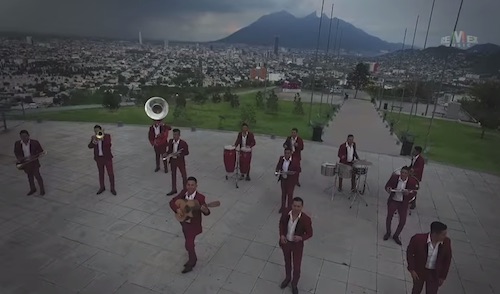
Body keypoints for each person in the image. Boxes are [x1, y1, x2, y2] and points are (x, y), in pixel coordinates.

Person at [169, 176, 210, 274]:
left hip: (193, 225)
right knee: (189, 244)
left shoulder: (200, 198)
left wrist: (205, 210)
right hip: (184, 223)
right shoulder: (183, 193)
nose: (190, 187)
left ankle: (192, 262)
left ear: (196, 186)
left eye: (192, 185)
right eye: (188, 185)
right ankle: (192, 256)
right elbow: (172, 202)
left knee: (189, 244)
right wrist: (177, 209)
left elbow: (207, 212)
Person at [279, 197, 313, 294]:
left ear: (302, 207)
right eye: (294, 206)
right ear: (291, 205)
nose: (296, 208)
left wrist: (301, 238)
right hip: (286, 243)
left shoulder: (306, 219)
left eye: (298, 206)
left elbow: (310, 233)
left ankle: (294, 284)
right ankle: (287, 278)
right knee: (287, 262)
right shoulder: (286, 213)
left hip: (297, 246)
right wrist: (281, 235)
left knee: (297, 267)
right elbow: (281, 224)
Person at [407, 221, 452, 294]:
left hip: (434, 273)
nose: (445, 236)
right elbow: (410, 253)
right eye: (443, 234)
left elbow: (447, 260)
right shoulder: (418, 239)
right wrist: (412, 269)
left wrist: (442, 276)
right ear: (435, 234)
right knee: (416, 290)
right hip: (420, 270)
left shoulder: (446, 242)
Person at [384, 166, 419, 245]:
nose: (403, 174)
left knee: (403, 221)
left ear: (408, 174)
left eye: (405, 173)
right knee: (389, 217)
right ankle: (388, 232)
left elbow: (414, 193)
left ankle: (396, 235)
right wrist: (388, 189)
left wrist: (408, 194)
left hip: (403, 203)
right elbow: (387, 186)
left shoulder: (412, 182)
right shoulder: (394, 178)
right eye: (402, 172)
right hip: (394, 200)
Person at [14, 130, 45, 196]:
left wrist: (34, 156)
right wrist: (19, 158)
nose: (24, 138)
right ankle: (32, 189)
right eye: (22, 136)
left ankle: (42, 190)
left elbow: (41, 151)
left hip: (34, 163)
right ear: (20, 137)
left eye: (25, 136)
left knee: (38, 176)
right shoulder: (17, 143)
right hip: (25, 163)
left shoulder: (35, 142)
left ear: (28, 136)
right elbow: (16, 152)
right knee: (29, 177)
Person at [88, 125, 116, 195]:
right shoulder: (94, 138)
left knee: (110, 173)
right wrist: (95, 141)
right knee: (101, 173)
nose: (96, 132)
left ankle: (112, 188)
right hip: (99, 159)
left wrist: (102, 138)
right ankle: (102, 187)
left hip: (107, 158)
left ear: (100, 130)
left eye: (97, 130)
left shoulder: (107, 136)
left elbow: (109, 144)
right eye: (95, 131)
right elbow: (90, 146)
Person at [275, 148, 301, 213]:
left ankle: (289, 208)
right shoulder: (281, 158)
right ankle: (282, 207)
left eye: (288, 153)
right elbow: (278, 166)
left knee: (290, 194)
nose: (286, 154)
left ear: (291, 153)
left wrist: (293, 173)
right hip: (283, 179)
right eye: (285, 153)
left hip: (291, 181)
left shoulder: (295, 160)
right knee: (283, 194)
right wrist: (277, 171)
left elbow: (299, 170)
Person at [166, 129, 189, 196]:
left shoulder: (183, 143)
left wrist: (179, 155)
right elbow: (169, 150)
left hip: (180, 161)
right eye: (173, 134)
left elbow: (187, 152)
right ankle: (174, 189)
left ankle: (185, 190)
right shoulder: (170, 141)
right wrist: (166, 154)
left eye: (176, 135)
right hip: (173, 161)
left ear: (179, 135)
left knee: (184, 175)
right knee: (173, 175)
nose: (174, 136)